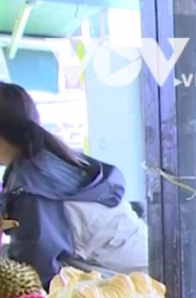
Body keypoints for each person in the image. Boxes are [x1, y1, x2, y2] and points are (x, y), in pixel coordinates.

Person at [0, 82, 148, 286]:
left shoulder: (30, 185)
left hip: (138, 285)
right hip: (139, 260)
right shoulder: (45, 159)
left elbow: (36, 273)